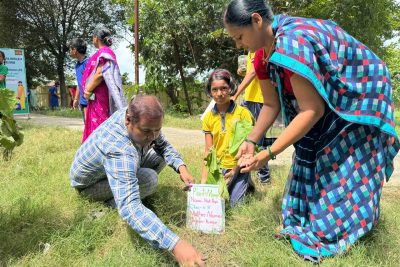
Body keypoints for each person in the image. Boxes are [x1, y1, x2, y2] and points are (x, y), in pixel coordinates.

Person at [224, 0, 399, 261]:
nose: (238, 45)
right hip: (326, 104)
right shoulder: (263, 55)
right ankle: (322, 218)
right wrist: (252, 140)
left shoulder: (293, 44)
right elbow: (271, 105)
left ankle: (348, 228)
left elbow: (311, 110)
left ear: (257, 21)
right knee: (311, 159)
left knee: (342, 168)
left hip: (356, 99)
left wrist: (269, 153)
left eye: (239, 36)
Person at [70, 95, 204, 266]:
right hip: (89, 186)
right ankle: (112, 203)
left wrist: (181, 167)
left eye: (157, 129)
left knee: (159, 155)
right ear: (128, 120)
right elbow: (130, 206)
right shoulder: (118, 146)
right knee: (148, 180)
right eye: (147, 131)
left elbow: (163, 145)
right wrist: (176, 244)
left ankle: (125, 190)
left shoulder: (137, 117)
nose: (153, 136)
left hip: (113, 169)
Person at [201, 69, 254, 207]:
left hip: (239, 167)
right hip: (218, 169)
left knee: (235, 206)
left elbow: (247, 150)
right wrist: (203, 182)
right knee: (215, 205)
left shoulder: (243, 114)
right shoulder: (207, 118)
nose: (219, 93)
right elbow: (208, 150)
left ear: (231, 88)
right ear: (210, 92)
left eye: (224, 88)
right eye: (215, 90)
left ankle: (246, 182)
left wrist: (234, 172)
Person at [81, 27, 127, 142]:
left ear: (96, 38)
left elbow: (101, 73)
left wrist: (88, 91)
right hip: (96, 99)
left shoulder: (104, 53)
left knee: (100, 129)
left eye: (92, 37)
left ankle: (101, 155)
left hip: (100, 99)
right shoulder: (102, 53)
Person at [231, 51, 271, 184]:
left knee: (257, 139)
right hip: (249, 97)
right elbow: (252, 71)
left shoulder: (258, 46)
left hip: (258, 98)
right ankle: (247, 172)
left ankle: (264, 177)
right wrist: (244, 72)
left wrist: (235, 94)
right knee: (245, 136)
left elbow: (254, 72)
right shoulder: (251, 49)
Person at [68, 38, 89, 122]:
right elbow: (80, 83)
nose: (69, 52)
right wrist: (76, 99)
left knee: (91, 128)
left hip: (90, 101)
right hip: (83, 101)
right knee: (86, 125)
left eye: (70, 49)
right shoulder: (77, 65)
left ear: (74, 50)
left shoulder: (88, 63)